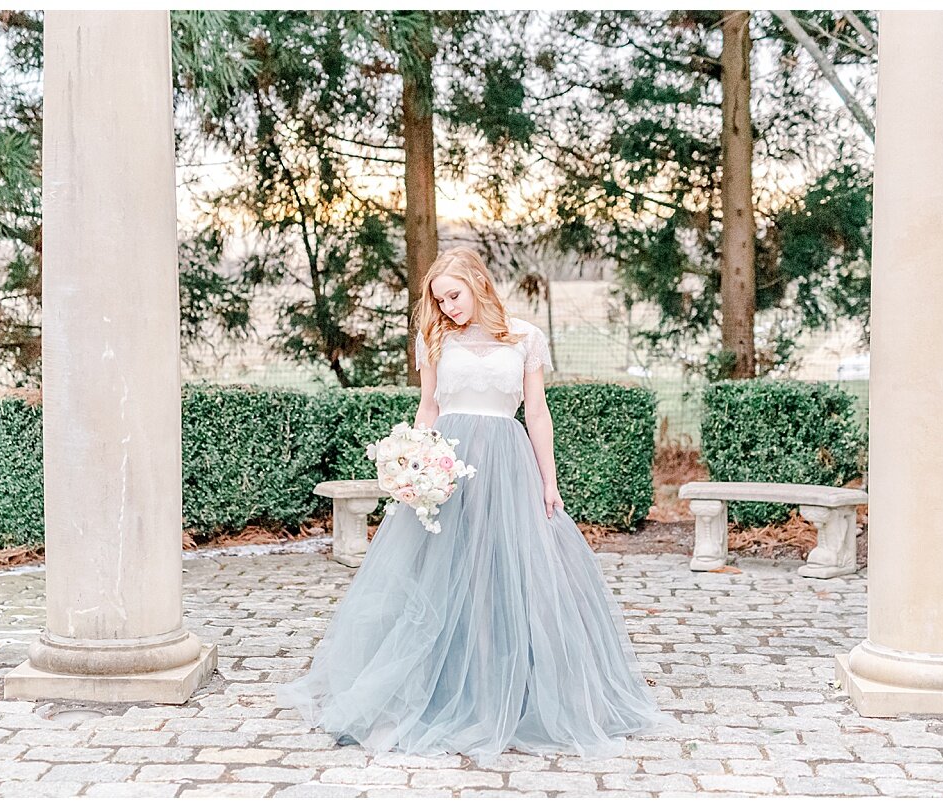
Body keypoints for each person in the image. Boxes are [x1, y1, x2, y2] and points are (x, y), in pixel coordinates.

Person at [272, 246, 680, 765]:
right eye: (440, 300)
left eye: (454, 296)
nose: (448, 308)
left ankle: (509, 690)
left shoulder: (526, 337)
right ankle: (438, 689)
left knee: (508, 574)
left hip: (508, 468)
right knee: (442, 574)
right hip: (448, 467)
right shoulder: (435, 338)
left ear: (479, 284)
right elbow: (429, 406)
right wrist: (412, 465)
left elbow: (536, 413)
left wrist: (548, 482)